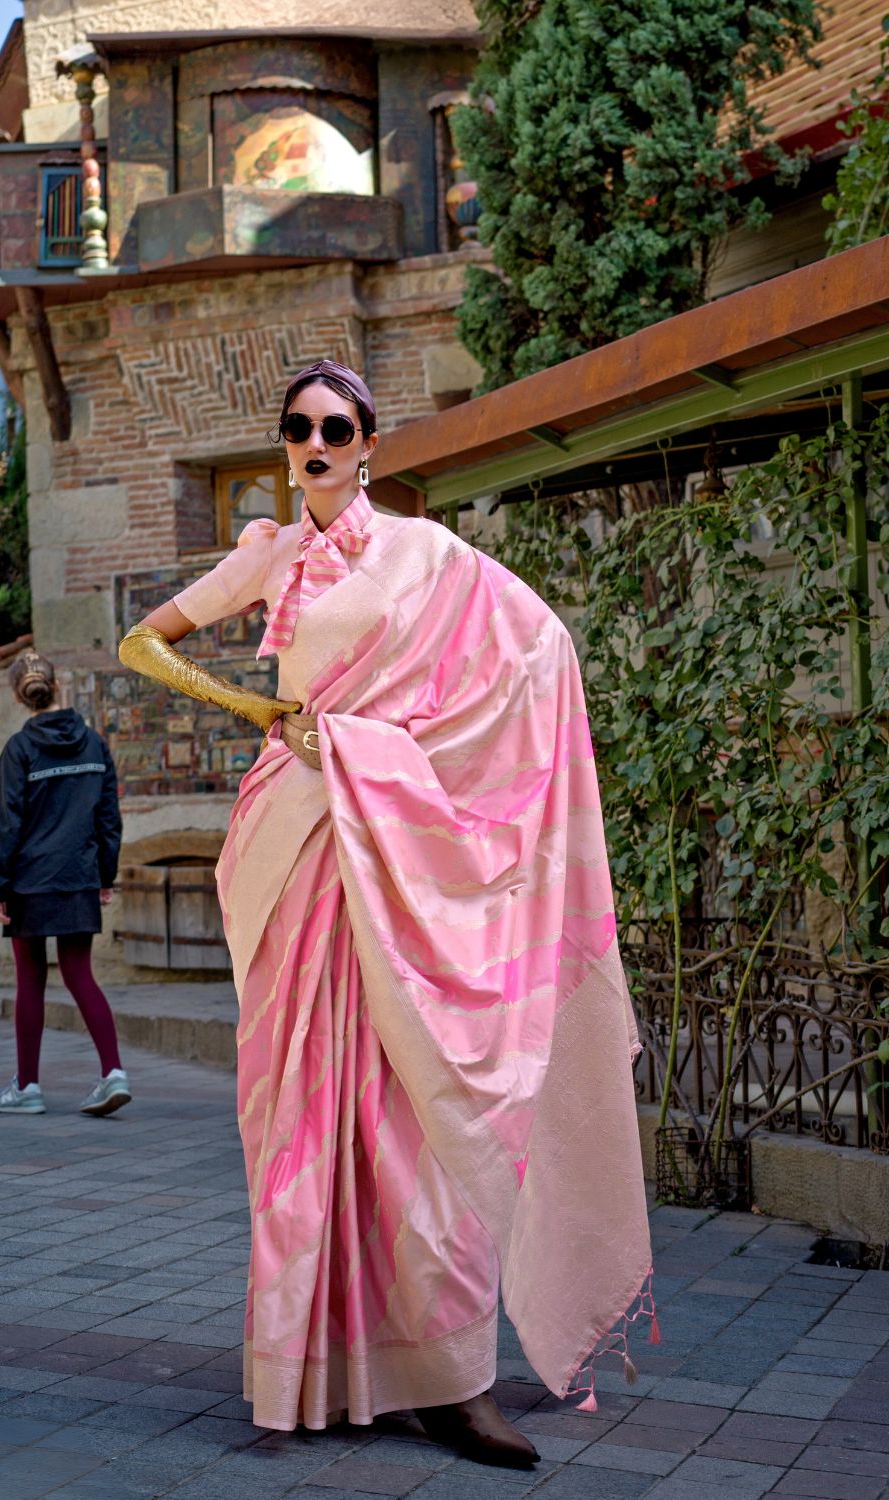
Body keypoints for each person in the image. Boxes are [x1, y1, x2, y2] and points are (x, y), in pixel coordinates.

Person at [118, 360, 653, 1466]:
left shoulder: (423, 551)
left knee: (414, 1108)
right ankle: (323, 1370)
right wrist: (267, 710)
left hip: (398, 847)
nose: (316, 443)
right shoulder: (265, 556)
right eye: (299, 428)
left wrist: (426, 759)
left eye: (338, 428)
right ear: (286, 444)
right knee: (304, 1110)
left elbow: (537, 645)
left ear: (369, 444)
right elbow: (141, 644)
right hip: (298, 844)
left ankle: (453, 1381)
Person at [0, 648, 130, 1118]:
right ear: (57, 685)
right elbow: (109, 818)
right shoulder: (95, 746)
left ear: (19, 696)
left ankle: (27, 1087)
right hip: (78, 876)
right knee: (80, 974)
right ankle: (113, 1073)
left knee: (31, 979)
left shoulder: (20, 750)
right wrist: (104, 874)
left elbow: (4, 823)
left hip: (29, 882)